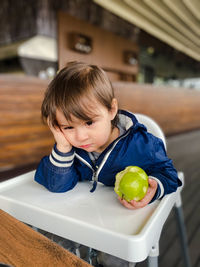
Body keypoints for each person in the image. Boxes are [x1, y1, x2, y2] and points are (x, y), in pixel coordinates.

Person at [34, 61, 181, 265]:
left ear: (112, 110)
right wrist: (63, 147)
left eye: (89, 123)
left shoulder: (142, 145)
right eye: (68, 127)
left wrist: (154, 188)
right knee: (53, 238)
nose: (80, 136)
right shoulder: (71, 148)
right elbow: (56, 185)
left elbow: (170, 174)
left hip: (121, 224)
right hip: (84, 217)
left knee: (114, 256)